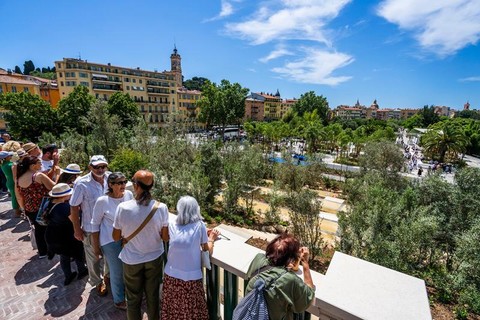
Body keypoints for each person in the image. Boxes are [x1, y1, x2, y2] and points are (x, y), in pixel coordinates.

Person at [112, 169, 169, 320]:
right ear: (152, 186)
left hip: (131, 260)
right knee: (153, 296)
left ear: (135, 186)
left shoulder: (123, 208)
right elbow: (165, 237)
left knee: (132, 298)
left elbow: (116, 236)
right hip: (154, 258)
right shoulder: (161, 207)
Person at [161, 196, 220, 320]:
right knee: (192, 311)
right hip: (191, 279)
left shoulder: (171, 224)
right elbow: (206, 250)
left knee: (173, 310)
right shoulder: (200, 225)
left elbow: (171, 238)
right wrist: (211, 238)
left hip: (171, 276)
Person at [244, 233, 316, 320]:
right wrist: (305, 262)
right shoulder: (290, 279)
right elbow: (309, 298)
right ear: (292, 259)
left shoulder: (258, 259)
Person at [91, 172, 133, 310]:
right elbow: (95, 225)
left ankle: (126, 291)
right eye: (119, 183)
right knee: (117, 271)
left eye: (124, 182)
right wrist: (96, 248)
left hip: (127, 239)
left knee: (128, 267)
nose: (123, 185)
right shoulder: (102, 201)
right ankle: (119, 299)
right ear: (110, 185)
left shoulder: (128, 195)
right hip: (109, 241)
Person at [69, 155, 110, 296]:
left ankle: (107, 277)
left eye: (103, 166)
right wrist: (77, 229)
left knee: (109, 255)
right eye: (96, 167)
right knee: (93, 257)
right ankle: (97, 282)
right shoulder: (82, 183)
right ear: (90, 167)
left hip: (108, 227)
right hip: (90, 228)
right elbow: (74, 207)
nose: (100, 169)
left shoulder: (111, 179)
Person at [44, 183, 88, 285]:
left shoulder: (48, 203)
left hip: (54, 234)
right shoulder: (65, 207)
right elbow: (74, 220)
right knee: (77, 253)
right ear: (64, 195)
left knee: (64, 257)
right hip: (67, 235)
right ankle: (82, 271)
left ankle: (68, 276)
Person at [17, 156, 56, 258]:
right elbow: (54, 187)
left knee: (38, 230)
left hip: (29, 208)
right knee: (49, 228)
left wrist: (23, 209)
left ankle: (42, 251)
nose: (41, 165)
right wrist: (58, 173)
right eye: (39, 163)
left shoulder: (19, 178)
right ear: (32, 166)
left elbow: (19, 197)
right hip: (43, 208)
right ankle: (51, 250)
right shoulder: (38, 176)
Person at [0, 151, 20, 216]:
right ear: (5, 158)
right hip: (12, 182)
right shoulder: (9, 165)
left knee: (14, 197)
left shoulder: (4, 164)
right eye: (9, 156)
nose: (11, 156)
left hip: (9, 182)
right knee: (15, 197)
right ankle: (16, 212)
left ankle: (17, 210)